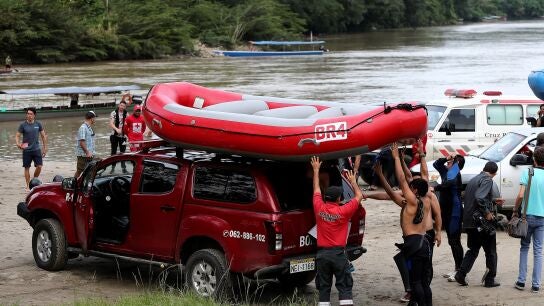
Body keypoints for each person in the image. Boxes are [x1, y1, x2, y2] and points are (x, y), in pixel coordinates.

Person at [370, 140, 441, 303]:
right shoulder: (427, 199)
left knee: (415, 281)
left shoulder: (411, 203)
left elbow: (402, 180)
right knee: (424, 282)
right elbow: (393, 193)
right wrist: (381, 175)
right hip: (424, 244)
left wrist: (395, 158)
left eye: (410, 187)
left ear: (414, 190)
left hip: (413, 245)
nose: (407, 188)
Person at [311, 156, 364, 306]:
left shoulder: (318, 207)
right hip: (338, 255)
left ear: (325, 197)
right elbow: (359, 196)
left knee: (324, 289)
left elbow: (316, 188)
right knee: (344, 287)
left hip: (322, 255)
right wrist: (353, 181)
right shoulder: (343, 211)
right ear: (338, 198)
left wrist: (316, 170)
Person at [455, 161, 504, 288]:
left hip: (470, 221)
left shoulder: (473, 180)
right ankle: (490, 280)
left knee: (473, 250)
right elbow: (480, 197)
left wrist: (493, 200)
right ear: (494, 173)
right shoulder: (488, 180)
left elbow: (474, 197)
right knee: (491, 251)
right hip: (482, 222)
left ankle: (461, 274)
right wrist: (487, 212)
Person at [513, 147, 544, 293]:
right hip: (542, 219)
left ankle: (521, 281)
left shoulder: (528, 173)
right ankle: (536, 285)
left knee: (524, 248)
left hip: (527, 217)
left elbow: (520, 195)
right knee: (538, 251)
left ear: (534, 160)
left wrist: (514, 210)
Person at [433, 154, 465, 281]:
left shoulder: (455, 173)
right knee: (452, 241)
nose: (447, 164)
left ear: (456, 165)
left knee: (455, 241)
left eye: (450, 162)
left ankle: (459, 271)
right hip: (446, 211)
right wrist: (446, 158)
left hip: (455, 212)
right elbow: (436, 164)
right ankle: (457, 268)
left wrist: (434, 187)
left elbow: (447, 184)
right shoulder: (447, 171)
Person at [15, 107, 47, 189]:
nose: (29, 115)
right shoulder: (23, 125)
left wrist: (45, 148)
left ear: (34, 115)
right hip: (26, 150)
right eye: (28, 114)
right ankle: (28, 185)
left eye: (30, 114)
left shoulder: (38, 124)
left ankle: (33, 181)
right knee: (26, 168)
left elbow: (43, 136)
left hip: (36, 149)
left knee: (39, 166)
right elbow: (17, 135)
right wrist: (18, 143)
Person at [75, 111, 97, 178]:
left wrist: (91, 153)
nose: (95, 120)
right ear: (92, 119)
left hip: (90, 154)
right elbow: (82, 142)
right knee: (79, 171)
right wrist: (87, 152)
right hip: (83, 155)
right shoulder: (83, 127)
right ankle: (73, 183)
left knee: (91, 171)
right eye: (94, 118)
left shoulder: (89, 127)